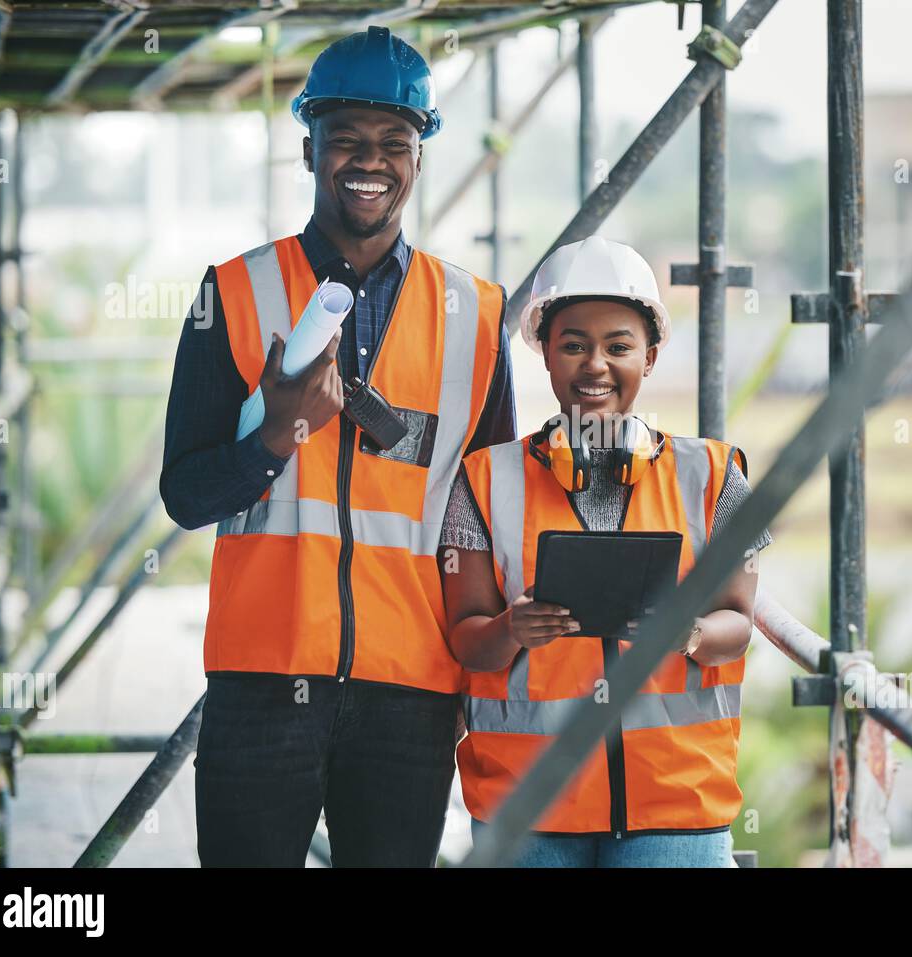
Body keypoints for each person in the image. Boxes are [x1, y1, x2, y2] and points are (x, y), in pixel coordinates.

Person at [159, 26, 516, 867]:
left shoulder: (478, 316)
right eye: (347, 139)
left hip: (411, 691)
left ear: (419, 155)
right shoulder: (234, 292)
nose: (371, 161)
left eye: (395, 142)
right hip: (260, 679)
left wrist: (482, 664)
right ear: (310, 144)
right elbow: (185, 494)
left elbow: (492, 514)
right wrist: (276, 436)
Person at [438, 237, 771, 867]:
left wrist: (691, 630)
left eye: (618, 346)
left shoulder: (713, 475)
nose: (595, 365)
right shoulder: (484, 479)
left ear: (649, 356)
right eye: (573, 345)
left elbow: (740, 626)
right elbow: (467, 639)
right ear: (545, 357)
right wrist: (512, 628)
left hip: (676, 808)